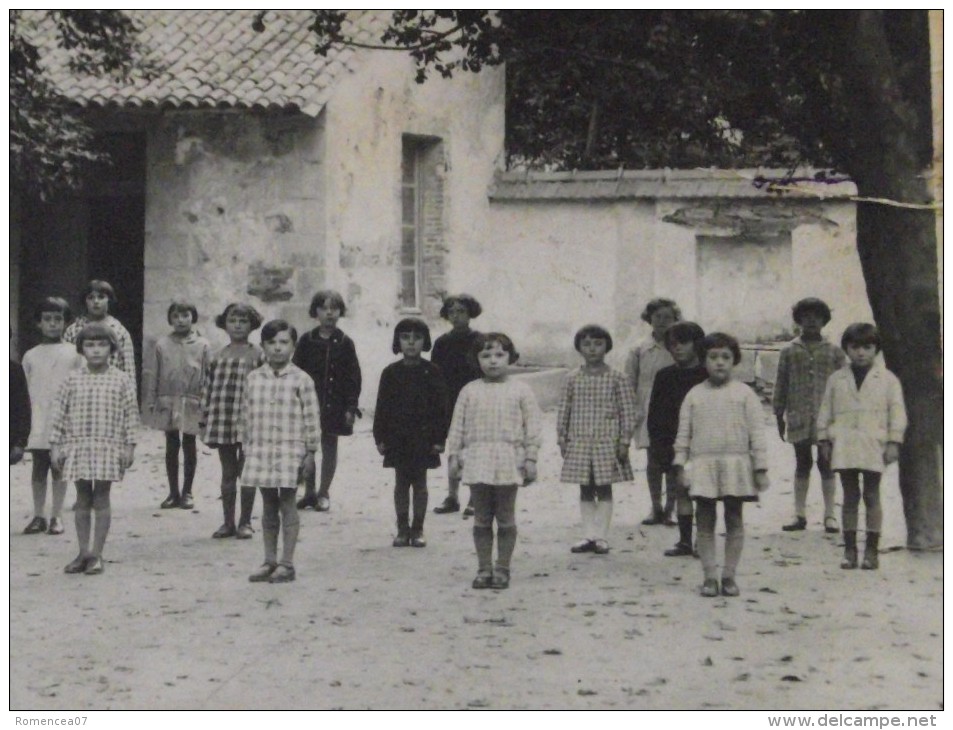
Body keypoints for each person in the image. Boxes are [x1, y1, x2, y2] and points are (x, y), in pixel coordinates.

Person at [673, 332, 769, 598]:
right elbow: (684, 434)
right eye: (713, 357)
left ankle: (729, 575)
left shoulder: (745, 394)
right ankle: (709, 576)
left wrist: (760, 467)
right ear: (703, 360)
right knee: (704, 520)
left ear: (734, 360)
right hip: (704, 464)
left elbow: (757, 433)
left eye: (725, 357)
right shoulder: (694, 395)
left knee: (734, 518)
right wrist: (680, 463)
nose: (719, 363)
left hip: (735, 464)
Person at [448, 333, 541, 590]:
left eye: (499, 355)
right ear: (476, 359)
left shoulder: (521, 390)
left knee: (506, 517)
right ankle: (483, 567)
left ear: (510, 357)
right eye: (486, 355)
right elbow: (457, 427)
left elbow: (533, 425)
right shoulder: (469, 390)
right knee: (481, 518)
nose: (493, 361)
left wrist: (531, 457)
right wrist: (454, 456)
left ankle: (502, 567)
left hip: (508, 458)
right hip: (477, 457)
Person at [49, 323, 140, 575]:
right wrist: (55, 446)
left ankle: (97, 553)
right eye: (90, 345)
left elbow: (130, 415)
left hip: (107, 446)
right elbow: (59, 414)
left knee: (101, 497)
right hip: (78, 446)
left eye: (102, 345)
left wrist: (129, 446)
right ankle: (82, 552)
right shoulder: (72, 379)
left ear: (111, 348)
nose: (96, 350)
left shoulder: (121, 380)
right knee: (82, 499)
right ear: (81, 349)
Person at [817, 323, 906, 571]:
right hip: (844, 443)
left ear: (876, 349)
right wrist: (824, 438)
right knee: (849, 496)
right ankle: (849, 550)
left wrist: (893, 441)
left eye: (867, 347)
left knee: (871, 494)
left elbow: (897, 413)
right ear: (846, 348)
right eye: (855, 347)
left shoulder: (888, 380)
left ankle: (871, 550)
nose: (861, 353)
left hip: (872, 443)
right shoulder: (837, 379)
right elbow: (826, 409)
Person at [242, 320, 320, 584]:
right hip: (262, 449)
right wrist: (247, 447)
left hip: (289, 450)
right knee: (267, 504)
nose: (277, 348)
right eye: (272, 343)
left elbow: (311, 418)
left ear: (293, 346)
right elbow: (246, 416)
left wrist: (310, 451)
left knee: (287, 502)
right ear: (263, 346)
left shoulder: (302, 380)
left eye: (283, 342)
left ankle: (287, 562)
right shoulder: (254, 379)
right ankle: (269, 560)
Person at [557, 325, 636, 555]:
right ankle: (588, 535)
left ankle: (601, 536)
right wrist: (562, 437)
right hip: (579, 440)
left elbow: (627, 411)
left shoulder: (618, 378)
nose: (592, 349)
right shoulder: (571, 378)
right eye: (587, 344)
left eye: (598, 343)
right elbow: (564, 409)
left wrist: (624, 441)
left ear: (607, 346)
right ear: (579, 348)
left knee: (603, 487)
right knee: (584, 487)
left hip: (606, 441)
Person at [374, 318, 449, 548]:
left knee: (420, 482)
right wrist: (380, 437)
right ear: (398, 341)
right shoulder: (390, 373)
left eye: (417, 338)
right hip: (398, 436)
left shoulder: (433, 372)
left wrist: (439, 439)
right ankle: (402, 528)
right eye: (405, 337)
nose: (411, 343)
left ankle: (418, 529)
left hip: (423, 438)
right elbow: (382, 407)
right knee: (400, 482)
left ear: (425, 341)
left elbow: (442, 408)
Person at [773, 298, 846, 534]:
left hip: (827, 419)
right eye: (806, 316)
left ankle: (830, 515)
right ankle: (799, 514)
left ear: (824, 320)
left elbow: (843, 385)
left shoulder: (834, 351)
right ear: (799, 320)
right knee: (802, 463)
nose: (812, 320)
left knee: (827, 464)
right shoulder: (789, 351)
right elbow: (781, 383)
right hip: (799, 416)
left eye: (817, 316)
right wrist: (778, 412)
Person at [292, 290, 362, 513]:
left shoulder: (345, 342)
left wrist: (351, 407)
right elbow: (295, 372)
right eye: (324, 308)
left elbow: (354, 377)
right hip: (308, 404)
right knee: (307, 448)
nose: (329, 313)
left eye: (334, 308)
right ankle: (309, 492)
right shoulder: (306, 340)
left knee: (329, 446)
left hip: (335, 405)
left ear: (340, 312)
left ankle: (324, 492)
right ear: (316, 312)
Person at [200, 303, 264, 540]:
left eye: (243, 321)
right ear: (224, 324)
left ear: (252, 324)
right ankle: (227, 522)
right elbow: (207, 388)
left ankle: (245, 521)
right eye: (233, 321)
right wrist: (204, 419)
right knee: (228, 472)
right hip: (224, 418)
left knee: (246, 472)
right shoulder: (218, 355)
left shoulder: (259, 354)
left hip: (249, 420)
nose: (237, 325)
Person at [21, 297, 83, 535]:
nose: (53, 324)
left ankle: (57, 515)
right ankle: (39, 515)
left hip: (63, 419)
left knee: (59, 466)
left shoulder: (74, 354)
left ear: (66, 323)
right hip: (38, 418)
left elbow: (79, 385)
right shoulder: (31, 356)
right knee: (39, 465)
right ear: (38, 323)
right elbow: (25, 389)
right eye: (47, 319)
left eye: (58, 319)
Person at [646, 321, 709, 557]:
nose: (677, 348)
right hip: (674, 442)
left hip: (703, 443)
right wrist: (658, 445)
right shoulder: (664, 376)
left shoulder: (706, 374)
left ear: (697, 344)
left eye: (683, 343)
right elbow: (655, 414)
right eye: (672, 344)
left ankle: (702, 541)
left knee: (703, 494)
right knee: (681, 491)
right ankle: (684, 540)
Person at [143, 301, 211, 510]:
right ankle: (172, 492)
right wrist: (152, 399)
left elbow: (208, 376)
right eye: (176, 316)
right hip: (168, 399)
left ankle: (187, 491)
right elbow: (153, 373)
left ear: (193, 317)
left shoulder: (203, 345)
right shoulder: (162, 344)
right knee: (171, 444)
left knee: (189, 444)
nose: (181, 320)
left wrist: (206, 401)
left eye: (185, 316)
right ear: (170, 319)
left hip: (191, 400)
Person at [626, 297, 681, 526]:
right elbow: (630, 381)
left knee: (675, 457)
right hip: (648, 405)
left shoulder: (680, 346)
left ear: (675, 319)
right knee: (654, 458)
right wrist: (632, 409)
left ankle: (671, 509)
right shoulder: (640, 348)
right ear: (649, 319)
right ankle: (655, 506)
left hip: (675, 405)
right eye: (657, 317)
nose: (662, 322)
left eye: (667, 317)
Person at [431, 294, 483, 518]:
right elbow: (435, 373)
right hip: (449, 400)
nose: (456, 316)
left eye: (461, 311)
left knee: (474, 449)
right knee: (454, 448)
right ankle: (452, 496)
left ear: (470, 313)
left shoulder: (480, 340)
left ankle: (474, 498)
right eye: (452, 312)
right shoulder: (442, 343)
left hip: (475, 400)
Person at [63, 280, 136, 384]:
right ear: (85, 301)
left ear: (109, 300)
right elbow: (66, 366)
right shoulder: (73, 331)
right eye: (91, 298)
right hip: (80, 389)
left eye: (101, 297)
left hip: (110, 389)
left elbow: (128, 371)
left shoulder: (119, 331)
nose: (96, 301)